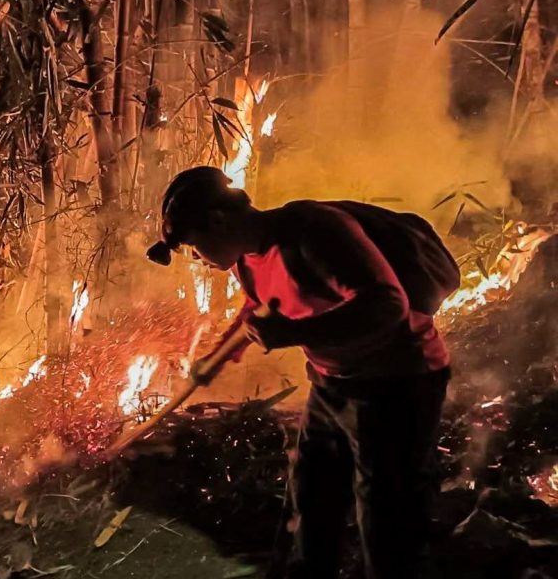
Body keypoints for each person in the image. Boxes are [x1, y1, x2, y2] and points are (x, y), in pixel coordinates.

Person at [148, 167, 453, 579]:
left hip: (396, 387)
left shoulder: (314, 231)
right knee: (310, 501)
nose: (198, 259)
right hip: (332, 386)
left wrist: (293, 333)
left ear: (218, 221)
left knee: (386, 520)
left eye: (194, 247)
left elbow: (387, 304)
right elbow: (256, 310)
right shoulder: (245, 260)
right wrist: (215, 358)